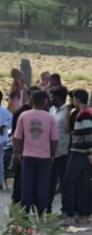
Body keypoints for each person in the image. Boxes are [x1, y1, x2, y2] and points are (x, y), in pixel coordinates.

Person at [13, 90, 57, 215]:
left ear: (31, 100)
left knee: (27, 186)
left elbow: (17, 138)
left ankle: (25, 215)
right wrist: (52, 154)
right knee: (42, 187)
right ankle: (40, 215)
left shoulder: (24, 115)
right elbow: (54, 140)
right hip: (45, 157)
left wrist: (16, 154)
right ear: (45, 101)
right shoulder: (50, 117)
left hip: (27, 156)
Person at [61, 89, 91, 225]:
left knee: (68, 181)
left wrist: (90, 152)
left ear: (78, 99)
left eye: (73, 98)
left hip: (79, 152)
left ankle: (69, 214)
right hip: (81, 152)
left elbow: (87, 135)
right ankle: (82, 214)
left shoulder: (84, 114)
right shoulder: (84, 113)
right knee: (80, 184)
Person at [10, 86, 39, 205]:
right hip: (23, 150)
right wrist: (16, 152)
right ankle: (17, 202)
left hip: (39, 152)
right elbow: (15, 134)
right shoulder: (20, 113)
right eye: (34, 95)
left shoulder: (44, 112)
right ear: (29, 96)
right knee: (20, 178)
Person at [49, 86, 71, 214]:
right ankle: (47, 209)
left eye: (52, 96)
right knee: (50, 182)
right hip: (51, 152)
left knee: (64, 182)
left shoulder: (67, 110)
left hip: (63, 151)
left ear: (58, 97)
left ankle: (65, 210)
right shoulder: (52, 109)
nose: (51, 99)